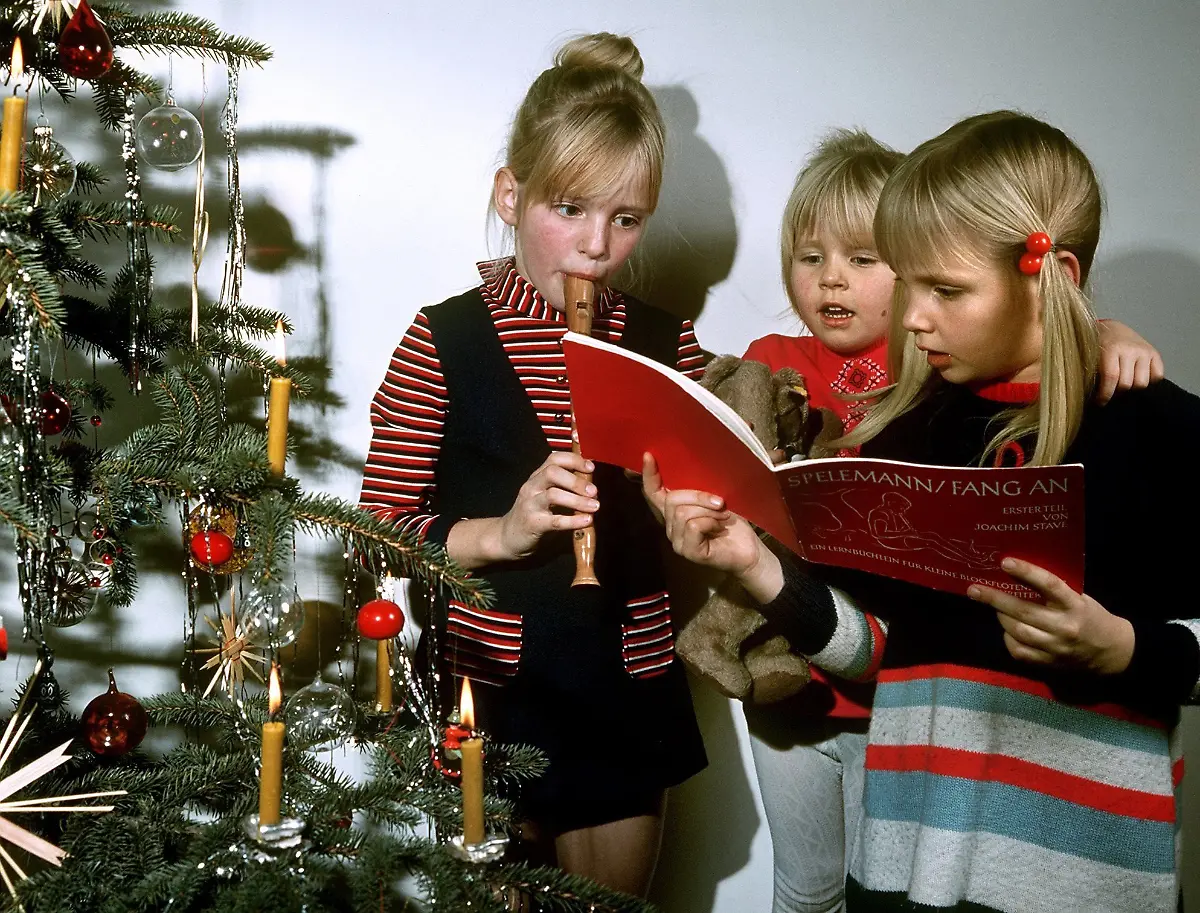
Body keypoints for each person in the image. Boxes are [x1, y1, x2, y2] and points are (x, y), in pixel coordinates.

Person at [648, 110, 1197, 913]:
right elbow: (873, 648)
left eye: (947, 289)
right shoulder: (901, 437)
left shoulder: (1163, 433)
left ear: (1052, 276)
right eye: (909, 283)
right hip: (905, 878)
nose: (911, 317)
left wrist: (1126, 650)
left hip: (1088, 888)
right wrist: (754, 563)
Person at [358, 33, 706, 897]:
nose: (596, 246)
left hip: (626, 677)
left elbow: (719, 510)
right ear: (510, 196)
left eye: (626, 219)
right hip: (493, 680)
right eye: (570, 208)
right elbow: (373, 534)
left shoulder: (669, 345)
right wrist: (503, 533)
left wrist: (698, 512)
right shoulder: (443, 339)